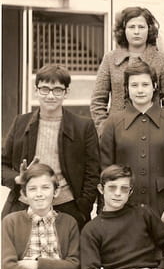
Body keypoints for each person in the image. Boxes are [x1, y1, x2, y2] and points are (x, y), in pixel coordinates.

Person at [2, 64, 100, 231]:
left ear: (66, 92)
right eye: (45, 89)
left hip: (67, 207)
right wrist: (18, 178)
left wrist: (83, 208)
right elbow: (2, 165)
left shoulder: (83, 127)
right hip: (24, 205)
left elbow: (93, 173)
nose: (50, 96)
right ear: (36, 90)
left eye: (57, 90)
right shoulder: (20, 123)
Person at [99, 60, 164, 228]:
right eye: (134, 85)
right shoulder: (113, 122)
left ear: (154, 86)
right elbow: (105, 169)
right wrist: (108, 209)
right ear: (126, 88)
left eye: (145, 84)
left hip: (163, 207)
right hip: (125, 206)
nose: (140, 90)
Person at [90, 6, 164, 133]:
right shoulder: (110, 59)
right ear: (123, 30)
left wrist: (162, 131)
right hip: (117, 132)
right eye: (131, 27)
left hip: (153, 132)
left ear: (149, 29)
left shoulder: (162, 60)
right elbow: (97, 101)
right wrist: (105, 130)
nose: (136, 32)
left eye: (141, 27)